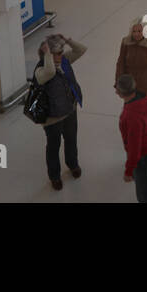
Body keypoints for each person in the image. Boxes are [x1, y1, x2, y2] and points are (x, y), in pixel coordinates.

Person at [35, 35, 87, 190]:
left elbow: (81, 50)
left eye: (61, 51)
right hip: (53, 118)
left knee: (71, 140)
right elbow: (50, 72)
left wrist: (68, 40)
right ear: (48, 54)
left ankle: (73, 164)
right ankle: (54, 176)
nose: (61, 55)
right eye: (57, 53)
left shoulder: (64, 61)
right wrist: (47, 55)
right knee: (53, 146)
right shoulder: (41, 70)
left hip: (69, 110)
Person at [116, 75, 147, 204]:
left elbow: (134, 147)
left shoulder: (131, 116)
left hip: (143, 154)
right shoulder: (142, 98)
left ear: (121, 93)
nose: (115, 91)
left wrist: (128, 171)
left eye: (116, 88)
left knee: (143, 193)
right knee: (145, 176)